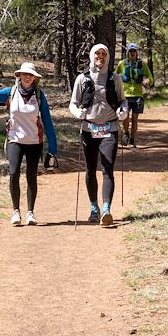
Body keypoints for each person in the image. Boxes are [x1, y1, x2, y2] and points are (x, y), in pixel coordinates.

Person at [0, 59, 58, 227]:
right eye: (24, 74)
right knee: (13, 173)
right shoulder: (10, 92)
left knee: (31, 176)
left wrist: (53, 149)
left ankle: (30, 212)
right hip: (15, 140)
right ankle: (16, 211)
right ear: (19, 76)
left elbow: (47, 122)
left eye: (30, 75)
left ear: (35, 78)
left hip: (34, 142)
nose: (27, 77)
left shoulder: (39, 95)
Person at [69, 42, 127, 227]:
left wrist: (123, 111)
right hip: (89, 129)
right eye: (97, 54)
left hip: (110, 128)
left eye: (103, 54)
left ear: (108, 57)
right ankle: (94, 207)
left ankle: (106, 210)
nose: (100, 57)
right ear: (92, 56)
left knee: (107, 168)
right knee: (90, 169)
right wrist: (77, 113)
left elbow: (122, 101)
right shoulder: (82, 79)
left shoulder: (114, 78)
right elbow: (73, 103)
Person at [119, 40, 154, 147]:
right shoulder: (122, 64)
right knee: (125, 116)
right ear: (128, 52)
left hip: (138, 95)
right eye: (130, 51)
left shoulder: (142, 64)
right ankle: (126, 133)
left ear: (137, 52)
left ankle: (133, 139)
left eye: (134, 51)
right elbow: (114, 76)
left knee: (135, 118)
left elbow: (150, 78)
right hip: (125, 95)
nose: (132, 53)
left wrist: (147, 81)